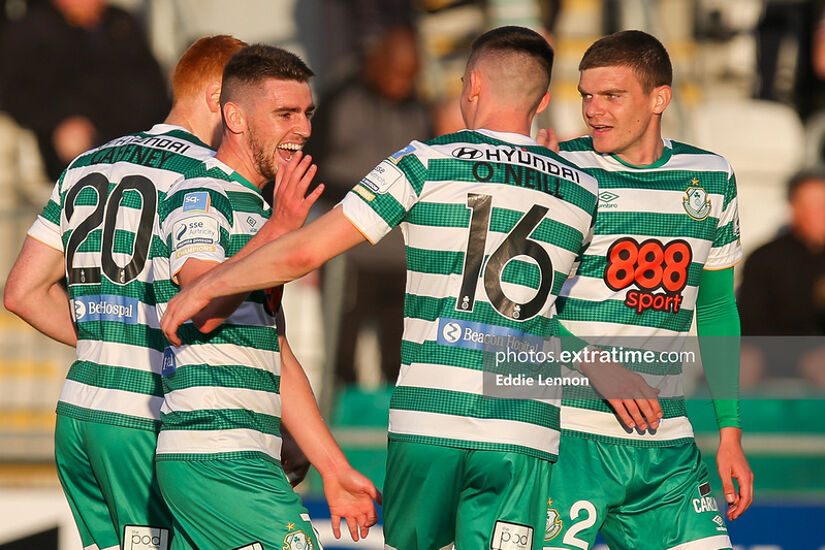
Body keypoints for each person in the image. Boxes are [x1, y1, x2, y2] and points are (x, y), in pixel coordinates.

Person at [160, 26, 600, 550]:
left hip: (429, 417)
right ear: (544, 99)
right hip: (521, 423)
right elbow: (568, 318)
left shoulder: (425, 161)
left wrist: (205, 286)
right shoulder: (583, 188)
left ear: (474, 86)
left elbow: (305, 252)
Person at [2, 35, 252, 550]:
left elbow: (22, 292)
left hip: (78, 412)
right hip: (142, 415)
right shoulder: (204, 177)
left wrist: (105, 341)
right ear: (216, 99)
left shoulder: (87, 164)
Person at [151, 44, 380, 550]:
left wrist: (333, 467)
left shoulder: (258, 207)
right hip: (214, 450)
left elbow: (274, 351)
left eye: (306, 113)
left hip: (246, 451)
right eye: (284, 114)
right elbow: (201, 308)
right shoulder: (203, 194)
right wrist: (278, 231)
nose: (301, 129)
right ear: (233, 116)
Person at [544, 30, 753, 550]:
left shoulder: (710, 175)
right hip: (566, 434)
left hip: (666, 443)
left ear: (659, 98)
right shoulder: (563, 170)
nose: (593, 110)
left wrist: (730, 432)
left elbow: (717, 305)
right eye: (586, 95)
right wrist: (595, 363)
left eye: (612, 96)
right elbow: (515, 309)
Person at [308, 24, 432, 385]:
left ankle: (389, 435)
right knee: (340, 355)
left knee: (399, 359)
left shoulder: (417, 108)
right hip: (349, 254)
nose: (402, 85)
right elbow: (312, 170)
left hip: (400, 259)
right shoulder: (340, 100)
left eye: (410, 77)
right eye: (396, 75)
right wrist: (368, 196)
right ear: (379, 63)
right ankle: (333, 432)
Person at [0, 0, 170, 180]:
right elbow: (16, 94)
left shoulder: (121, 22)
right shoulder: (32, 29)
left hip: (139, 136)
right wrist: (57, 125)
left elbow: (152, 81)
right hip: (75, 147)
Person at [738, 167, 825, 387]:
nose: (819, 214)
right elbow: (750, 324)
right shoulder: (765, 258)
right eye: (811, 206)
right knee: (740, 364)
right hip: (769, 354)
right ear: (794, 207)